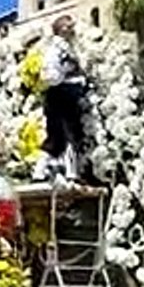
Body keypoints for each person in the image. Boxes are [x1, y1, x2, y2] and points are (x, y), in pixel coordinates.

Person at [39, 15, 89, 183]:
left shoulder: (65, 47)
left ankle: (41, 171)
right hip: (61, 95)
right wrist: (68, 73)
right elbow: (50, 75)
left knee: (59, 136)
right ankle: (71, 173)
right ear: (60, 29)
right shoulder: (56, 49)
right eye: (68, 27)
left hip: (64, 94)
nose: (72, 30)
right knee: (68, 134)